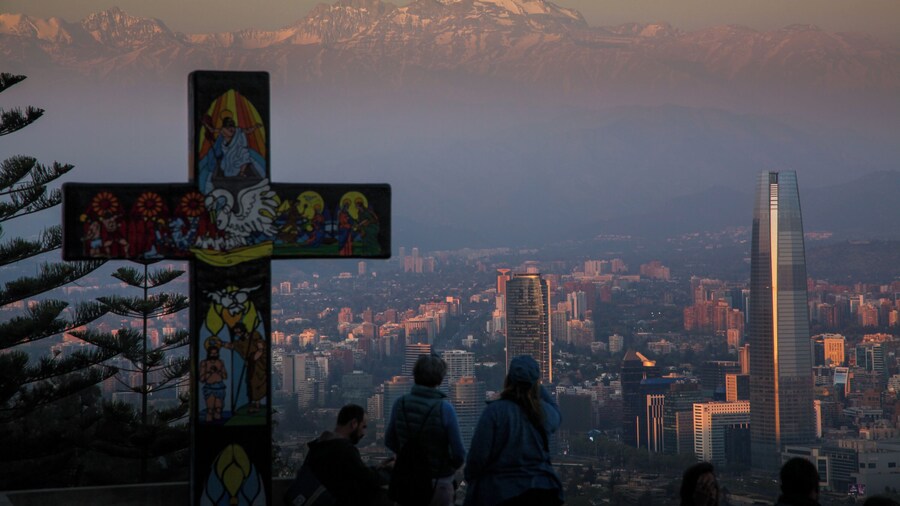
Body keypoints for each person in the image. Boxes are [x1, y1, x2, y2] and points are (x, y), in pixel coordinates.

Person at [463, 355, 563, 506]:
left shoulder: (494, 412)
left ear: (508, 380)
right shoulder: (544, 413)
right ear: (535, 384)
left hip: (501, 492)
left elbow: (477, 457)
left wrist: (472, 481)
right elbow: (557, 412)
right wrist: (536, 385)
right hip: (541, 490)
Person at [386, 353, 466, 506]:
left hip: (407, 482)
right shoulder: (444, 408)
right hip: (438, 482)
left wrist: (407, 456)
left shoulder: (400, 404)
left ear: (415, 375)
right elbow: (459, 453)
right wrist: (446, 466)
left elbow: (389, 440)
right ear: (440, 379)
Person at [305, 404, 392, 506]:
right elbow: (366, 478)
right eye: (363, 426)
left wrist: (377, 467)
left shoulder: (318, 446)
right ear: (354, 424)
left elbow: (356, 472)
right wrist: (389, 470)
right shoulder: (344, 449)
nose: (364, 433)